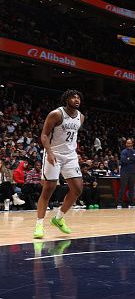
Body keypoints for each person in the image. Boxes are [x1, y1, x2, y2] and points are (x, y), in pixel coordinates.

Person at [34, 89, 85, 239]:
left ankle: (58, 218)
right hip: (53, 154)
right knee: (48, 189)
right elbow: (44, 135)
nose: (76, 100)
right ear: (66, 99)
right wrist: (49, 152)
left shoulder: (81, 117)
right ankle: (39, 225)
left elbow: (71, 137)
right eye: (73, 97)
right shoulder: (56, 114)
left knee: (77, 189)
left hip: (70, 156)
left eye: (78, 98)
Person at [118, 139, 135, 209]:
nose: (129, 144)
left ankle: (131, 203)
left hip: (133, 172)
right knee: (122, 188)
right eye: (127, 143)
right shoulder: (123, 152)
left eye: (130, 143)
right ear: (126, 144)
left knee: (132, 189)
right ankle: (119, 203)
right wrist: (133, 159)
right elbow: (124, 160)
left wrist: (130, 159)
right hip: (124, 172)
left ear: (132, 144)